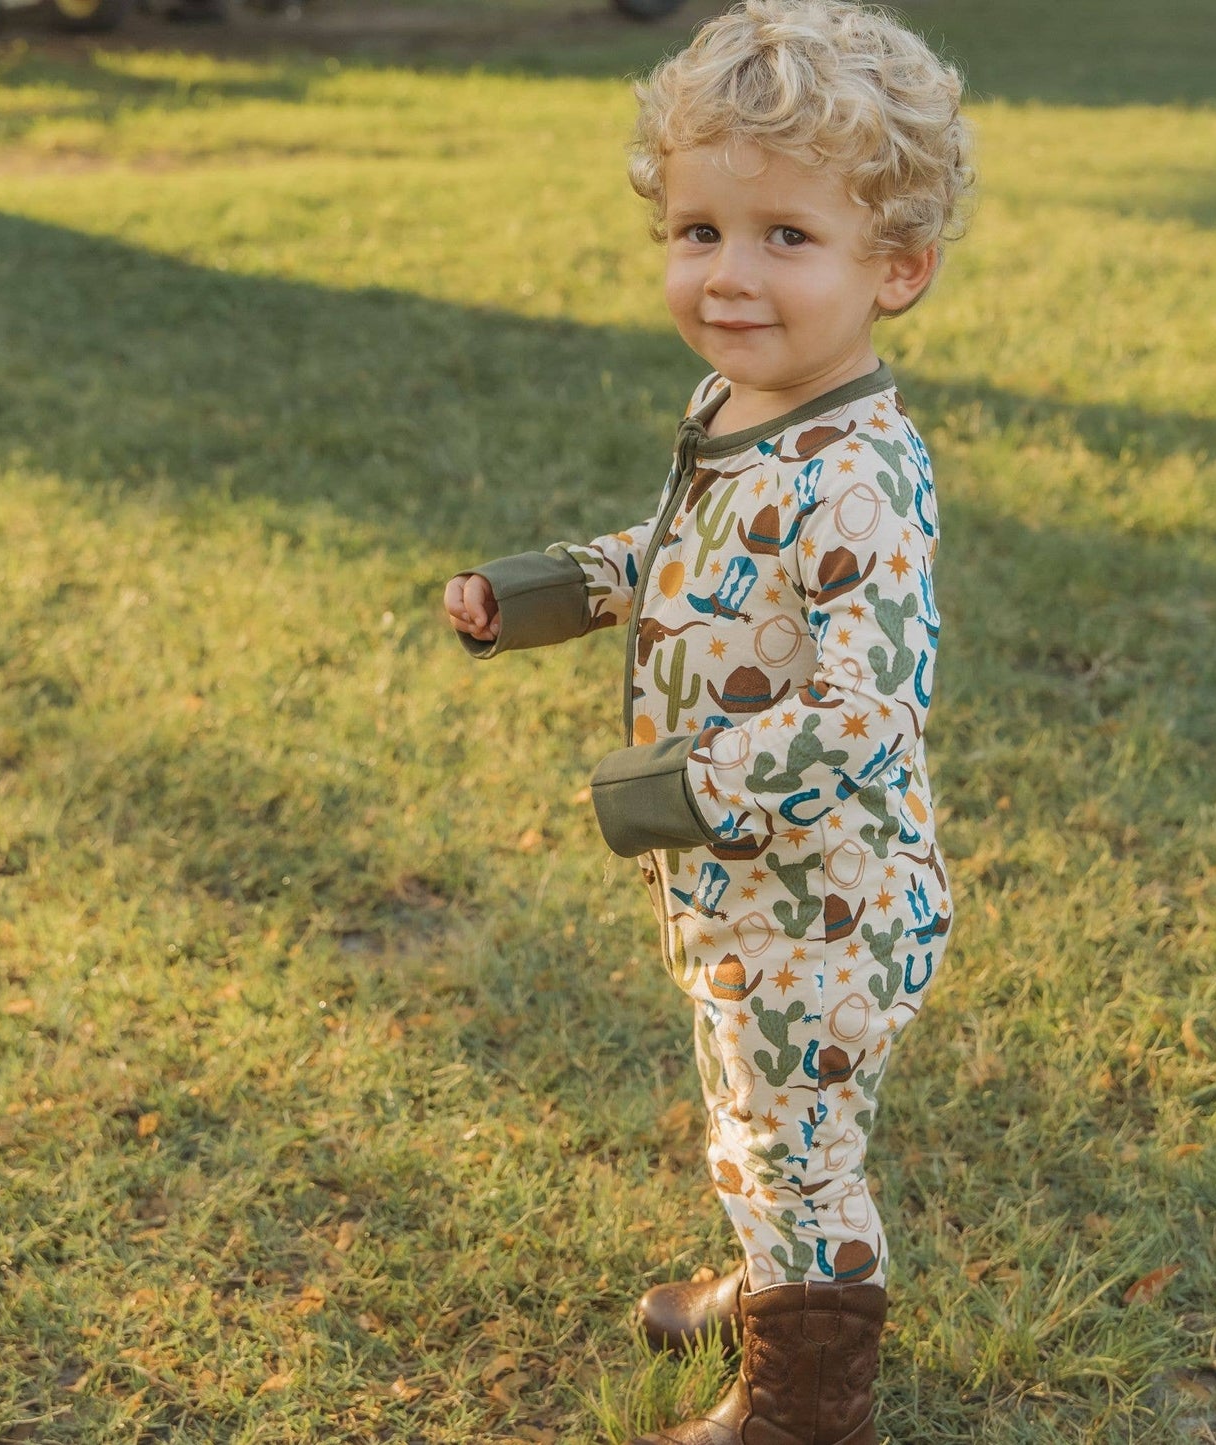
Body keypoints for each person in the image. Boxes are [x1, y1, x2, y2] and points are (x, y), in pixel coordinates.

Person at [446, 3, 973, 1440]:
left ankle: (802, 1401)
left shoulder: (856, 474)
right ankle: (766, 1284)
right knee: (747, 1113)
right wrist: (554, 587)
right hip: (744, 899)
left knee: (797, 1146)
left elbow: (866, 711)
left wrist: (670, 789)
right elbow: (687, 552)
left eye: (785, 238)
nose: (728, 275)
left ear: (898, 268)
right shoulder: (740, 401)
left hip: (824, 904)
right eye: (698, 230)